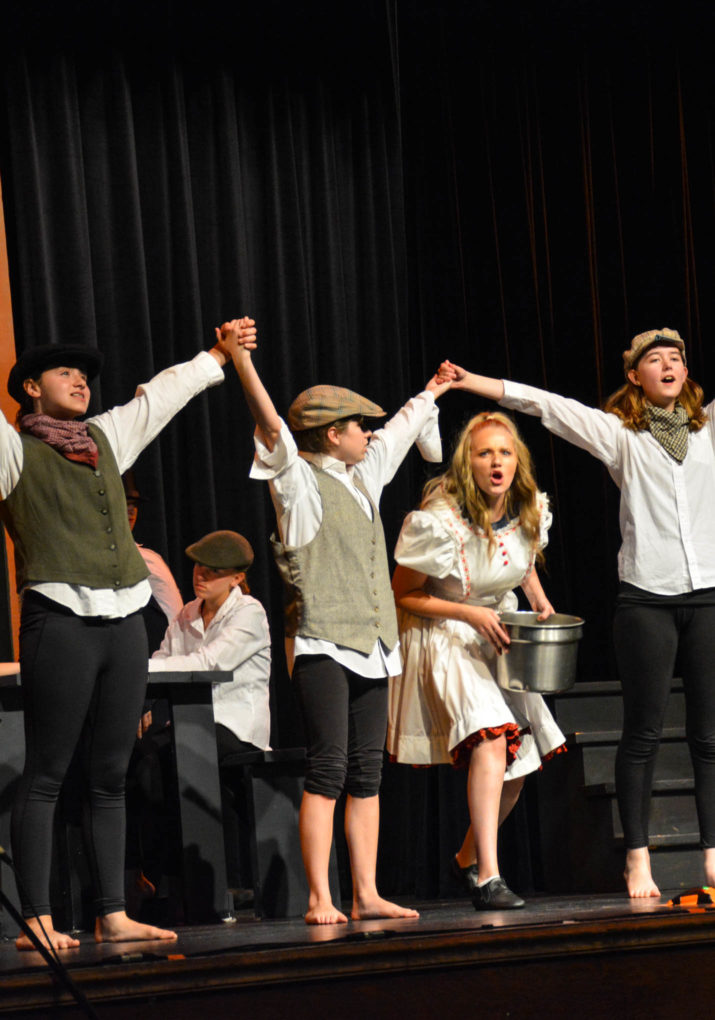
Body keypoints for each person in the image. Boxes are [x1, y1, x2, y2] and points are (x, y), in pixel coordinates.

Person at [438, 327, 715, 899]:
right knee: (643, 732)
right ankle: (638, 859)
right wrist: (472, 383)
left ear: (686, 373)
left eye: (676, 360)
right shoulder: (621, 436)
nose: (668, 366)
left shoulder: (708, 431)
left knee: (709, 738)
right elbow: (544, 404)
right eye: (654, 361)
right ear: (635, 376)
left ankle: (714, 856)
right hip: (646, 598)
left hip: (707, 595)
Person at [3, 322, 253, 950]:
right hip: (60, 617)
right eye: (64, 372)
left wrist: (217, 356)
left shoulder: (106, 438)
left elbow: (162, 397)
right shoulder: (12, 450)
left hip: (124, 622)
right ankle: (35, 917)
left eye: (84, 373)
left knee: (110, 774)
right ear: (31, 389)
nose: (80, 379)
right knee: (49, 773)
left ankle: (111, 911)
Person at [222, 315, 449, 924]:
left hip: (374, 644)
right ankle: (322, 895)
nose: (369, 435)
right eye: (357, 427)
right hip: (323, 642)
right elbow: (272, 427)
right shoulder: (299, 485)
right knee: (328, 767)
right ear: (329, 435)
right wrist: (242, 361)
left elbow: (400, 436)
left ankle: (366, 891)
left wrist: (432, 391)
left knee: (367, 771)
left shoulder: (360, 479)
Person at [389, 411, 565, 909]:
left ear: (517, 461)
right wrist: (468, 613)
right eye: (485, 452)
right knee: (491, 740)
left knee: (521, 759)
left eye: (505, 453)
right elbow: (404, 594)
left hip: (497, 633)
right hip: (444, 633)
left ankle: (468, 856)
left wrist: (538, 600)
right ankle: (489, 877)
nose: (496, 462)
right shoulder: (441, 518)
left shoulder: (527, 506)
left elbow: (522, 558)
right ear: (469, 460)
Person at [149, 530, 271, 898]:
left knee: (185, 754)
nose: (200, 575)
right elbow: (162, 658)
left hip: (235, 726)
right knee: (145, 760)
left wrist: (133, 670)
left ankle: (224, 882)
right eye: (199, 567)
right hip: (189, 723)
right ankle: (173, 880)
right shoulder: (187, 613)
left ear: (236, 578)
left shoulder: (249, 612)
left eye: (213, 571)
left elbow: (208, 662)